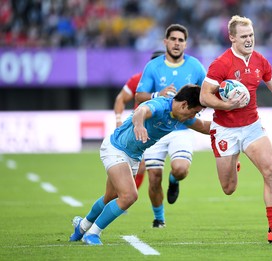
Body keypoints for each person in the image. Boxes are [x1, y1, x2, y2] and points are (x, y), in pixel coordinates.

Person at [69, 85, 210, 245]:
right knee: (129, 196)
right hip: (116, 149)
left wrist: (232, 127)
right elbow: (141, 112)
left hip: (133, 156)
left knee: (111, 196)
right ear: (184, 104)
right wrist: (139, 125)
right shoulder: (160, 105)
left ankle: (82, 227)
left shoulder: (182, 116)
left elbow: (205, 127)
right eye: (193, 112)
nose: (193, 116)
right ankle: (93, 234)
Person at [199, 15, 272, 243]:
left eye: (251, 35)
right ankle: (233, 162)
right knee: (228, 188)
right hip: (225, 130)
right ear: (232, 37)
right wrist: (226, 105)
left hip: (252, 127)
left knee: (271, 171)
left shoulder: (260, 61)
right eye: (243, 36)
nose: (249, 40)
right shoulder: (221, 63)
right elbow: (204, 96)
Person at [135, 24, 206, 228]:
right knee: (154, 177)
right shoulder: (153, 66)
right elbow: (139, 96)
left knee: (181, 169)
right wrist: (159, 94)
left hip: (181, 128)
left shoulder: (195, 66)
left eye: (181, 40)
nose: (177, 43)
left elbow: (207, 92)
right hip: (155, 129)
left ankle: (174, 181)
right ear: (165, 42)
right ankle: (159, 218)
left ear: (186, 43)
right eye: (173, 39)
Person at [113, 50, 164, 189]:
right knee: (139, 166)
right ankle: (123, 197)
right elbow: (121, 98)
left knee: (148, 169)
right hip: (141, 126)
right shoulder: (139, 79)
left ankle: (124, 198)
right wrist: (118, 119)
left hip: (161, 129)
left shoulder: (172, 82)